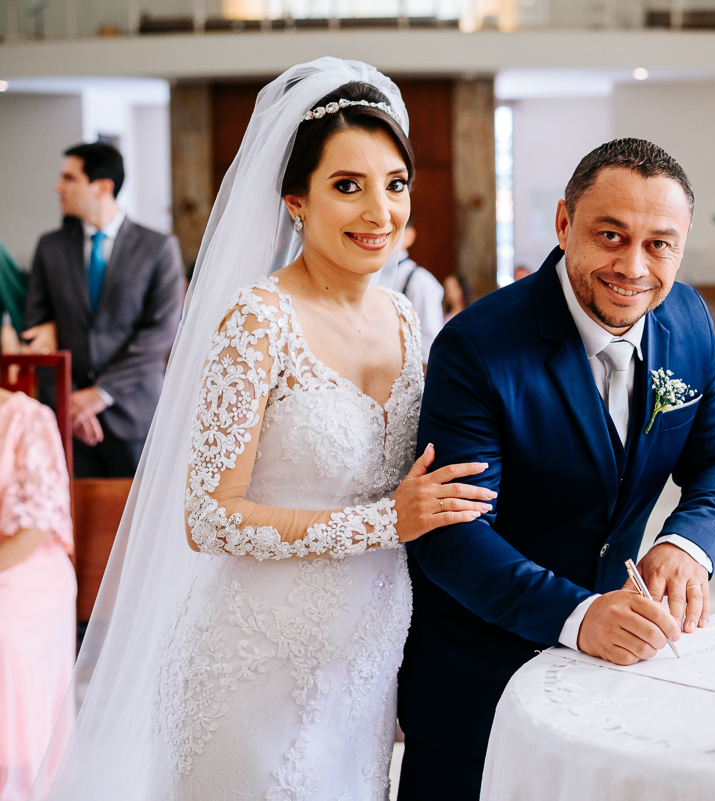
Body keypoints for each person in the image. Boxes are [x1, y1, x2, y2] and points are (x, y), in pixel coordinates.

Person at [31, 59, 491, 801]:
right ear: (296, 202)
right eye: (348, 186)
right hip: (257, 655)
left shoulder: (405, 316)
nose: (380, 212)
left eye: (395, 184)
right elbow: (210, 517)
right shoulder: (257, 321)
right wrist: (384, 521)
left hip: (369, 653)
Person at [401, 138, 715, 799]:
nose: (634, 265)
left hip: (620, 681)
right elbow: (451, 534)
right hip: (482, 673)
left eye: (660, 244)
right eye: (611, 235)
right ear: (564, 225)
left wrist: (687, 544)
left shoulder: (687, 319)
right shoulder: (477, 347)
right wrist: (579, 614)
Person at [24, 142, 185, 477]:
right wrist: (71, 405)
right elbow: (35, 331)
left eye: (69, 178)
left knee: (142, 523)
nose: (58, 187)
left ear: (102, 187)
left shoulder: (158, 247)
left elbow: (161, 333)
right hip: (67, 422)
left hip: (135, 414)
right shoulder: (50, 247)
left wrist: (100, 394)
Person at [0, 390, 73, 801]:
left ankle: (17, 780)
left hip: (29, 566)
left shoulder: (30, 419)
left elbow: (37, 529)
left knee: (5, 636)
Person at [372, 213, 443, 364]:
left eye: (390, 231)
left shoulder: (420, 281)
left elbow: (430, 345)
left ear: (409, 236)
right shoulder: (366, 275)